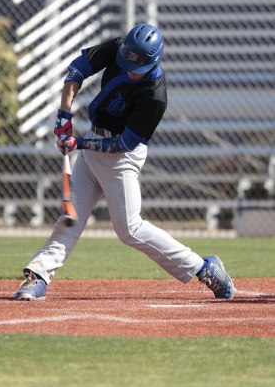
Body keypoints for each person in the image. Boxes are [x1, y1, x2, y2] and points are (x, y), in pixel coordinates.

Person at [14, 23, 235, 301]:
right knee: (72, 217)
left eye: (138, 67)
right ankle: (39, 275)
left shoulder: (154, 95)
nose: (131, 70)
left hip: (120, 158)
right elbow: (77, 70)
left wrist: (79, 142)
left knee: (130, 229)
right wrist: (63, 116)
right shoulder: (121, 47)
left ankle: (205, 269)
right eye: (128, 63)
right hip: (93, 142)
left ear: (153, 61)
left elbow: (126, 144)